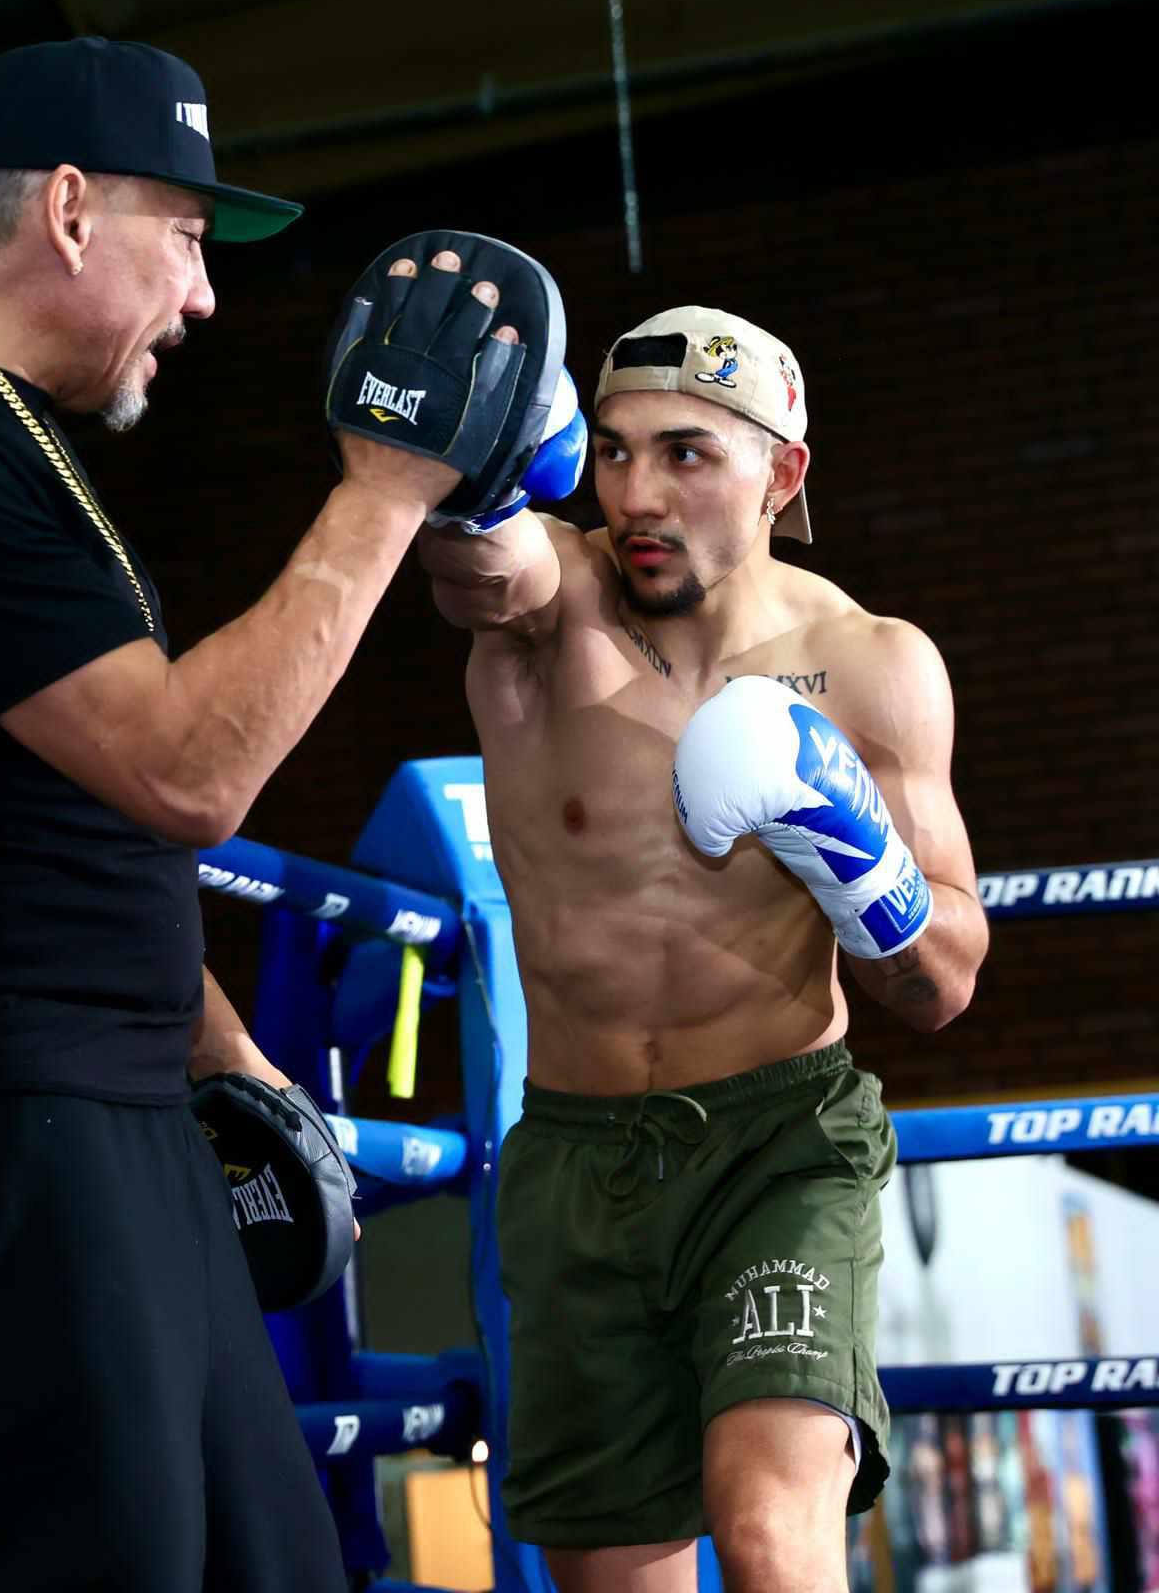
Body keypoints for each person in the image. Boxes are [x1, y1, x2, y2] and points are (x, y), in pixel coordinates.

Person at [0, 35, 529, 1593]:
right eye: (184, 235)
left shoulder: (0, 430)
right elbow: (188, 773)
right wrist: (385, 489)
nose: (204, 294)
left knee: (274, 1561)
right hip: (0, 1112)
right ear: (66, 209)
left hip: (115, 1107)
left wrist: (223, 1047)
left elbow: (56, 816)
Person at [416, 306, 990, 1593]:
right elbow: (479, 567)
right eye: (613, 452)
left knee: (774, 1528)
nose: (637, 494)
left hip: (780, 1144)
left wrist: (860, 859)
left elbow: (945, 982)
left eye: (686, 454)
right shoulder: (554, 606)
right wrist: (454, 464)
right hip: (573, 1156)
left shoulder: (871, 666)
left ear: (782, 474)